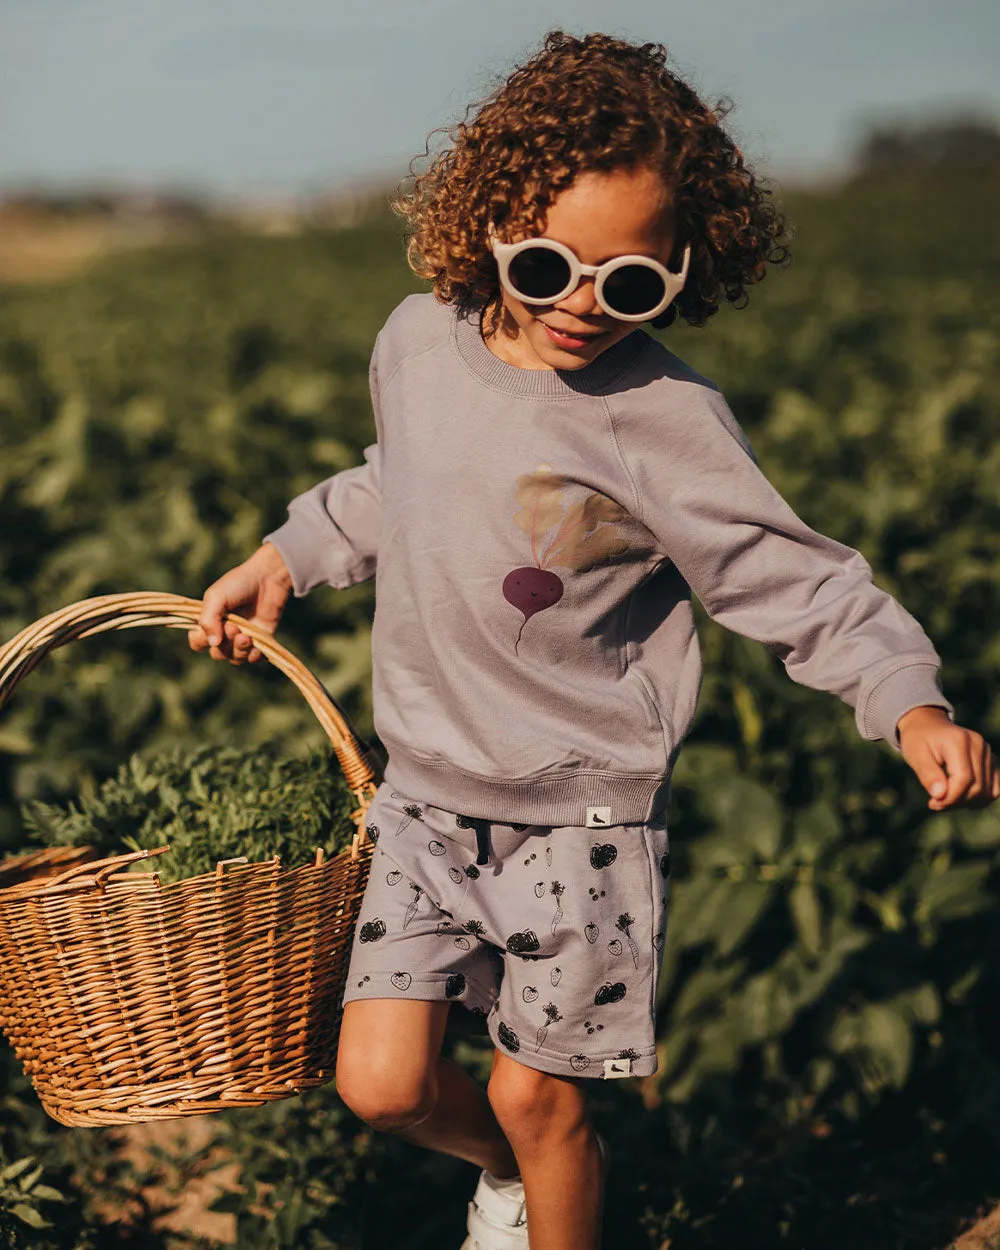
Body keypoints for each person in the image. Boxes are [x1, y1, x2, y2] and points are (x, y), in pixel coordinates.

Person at [188, 31, 999, 1250]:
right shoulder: (416, 341)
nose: (583, 306)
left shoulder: (662, 417)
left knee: (536, 1094)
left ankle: (551, 1179)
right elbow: (388, 482)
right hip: (420, 799)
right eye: (549, 263)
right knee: (382, 1084)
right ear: (495, 216)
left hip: (582, 815)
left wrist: (906, 697)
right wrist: (282, 557)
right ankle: (506, 1181)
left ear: (684, 265)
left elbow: (788, 574)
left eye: (631, 285)